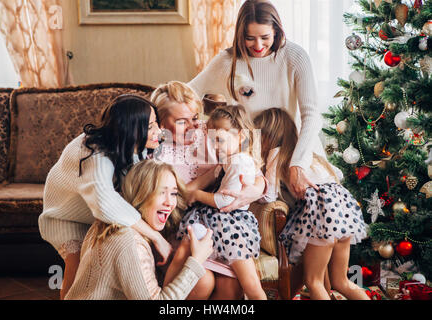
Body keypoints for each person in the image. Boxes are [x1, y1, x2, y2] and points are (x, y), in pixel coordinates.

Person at [38, 94, 172, 299]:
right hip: (65, 216)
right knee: (77, 270)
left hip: (94, 213)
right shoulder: (94, 152)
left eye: (156, 124)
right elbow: (104, 203)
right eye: (151, 126)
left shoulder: (134, 145)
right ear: (131, 129)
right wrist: (157, 238)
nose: (158, 132)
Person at [188, 0, 324, 201]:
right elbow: (189, 92)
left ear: (277, 32)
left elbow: (312, 115)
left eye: (265, 37)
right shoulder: (227, 62)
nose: (258, 45)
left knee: (318, 202)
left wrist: (298, 163)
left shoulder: (295, 57)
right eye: (249, 38)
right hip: (251, 159)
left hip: (293, 150)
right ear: (239, 34)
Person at [151, 81, 267, 299]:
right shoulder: (156, 152)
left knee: (230, 288)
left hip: (222, 225)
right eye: (181, 122)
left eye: (195, 118)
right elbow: (172, 199)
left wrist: (253, 190)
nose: (193, 126)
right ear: (161, 123)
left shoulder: (211, 130)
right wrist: (207, 179)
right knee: (202, 282)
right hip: (183, 229)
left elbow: (250, 167)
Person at [254, 108, 369, 300]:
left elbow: (269, 195)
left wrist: (255, 189)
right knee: (341, 281)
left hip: (322, 213)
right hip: (343, 211)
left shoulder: (276, 153)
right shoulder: (310, 154)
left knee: (313, 281)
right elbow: (337, 175)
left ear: (267, 135)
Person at [65, 160, 213, 300]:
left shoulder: (107, 223)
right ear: (141, 194)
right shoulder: (129, 241)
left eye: (173, 193)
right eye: (161, 192)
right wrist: (196, 261)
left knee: (203, 278)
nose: (170, 202)